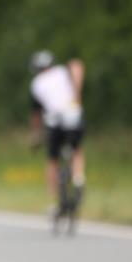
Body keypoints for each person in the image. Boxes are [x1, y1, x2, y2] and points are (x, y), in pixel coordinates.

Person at [28, 50, 86, 215]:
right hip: (73, 115)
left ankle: (55, 201)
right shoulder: (62, 71)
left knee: (52, 161)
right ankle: (78, 179)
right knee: (76, 150)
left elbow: (36, 115)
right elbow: (77, 64)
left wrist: (35, 136)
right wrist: (77, 92)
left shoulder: (36, 83)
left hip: (54, 122)